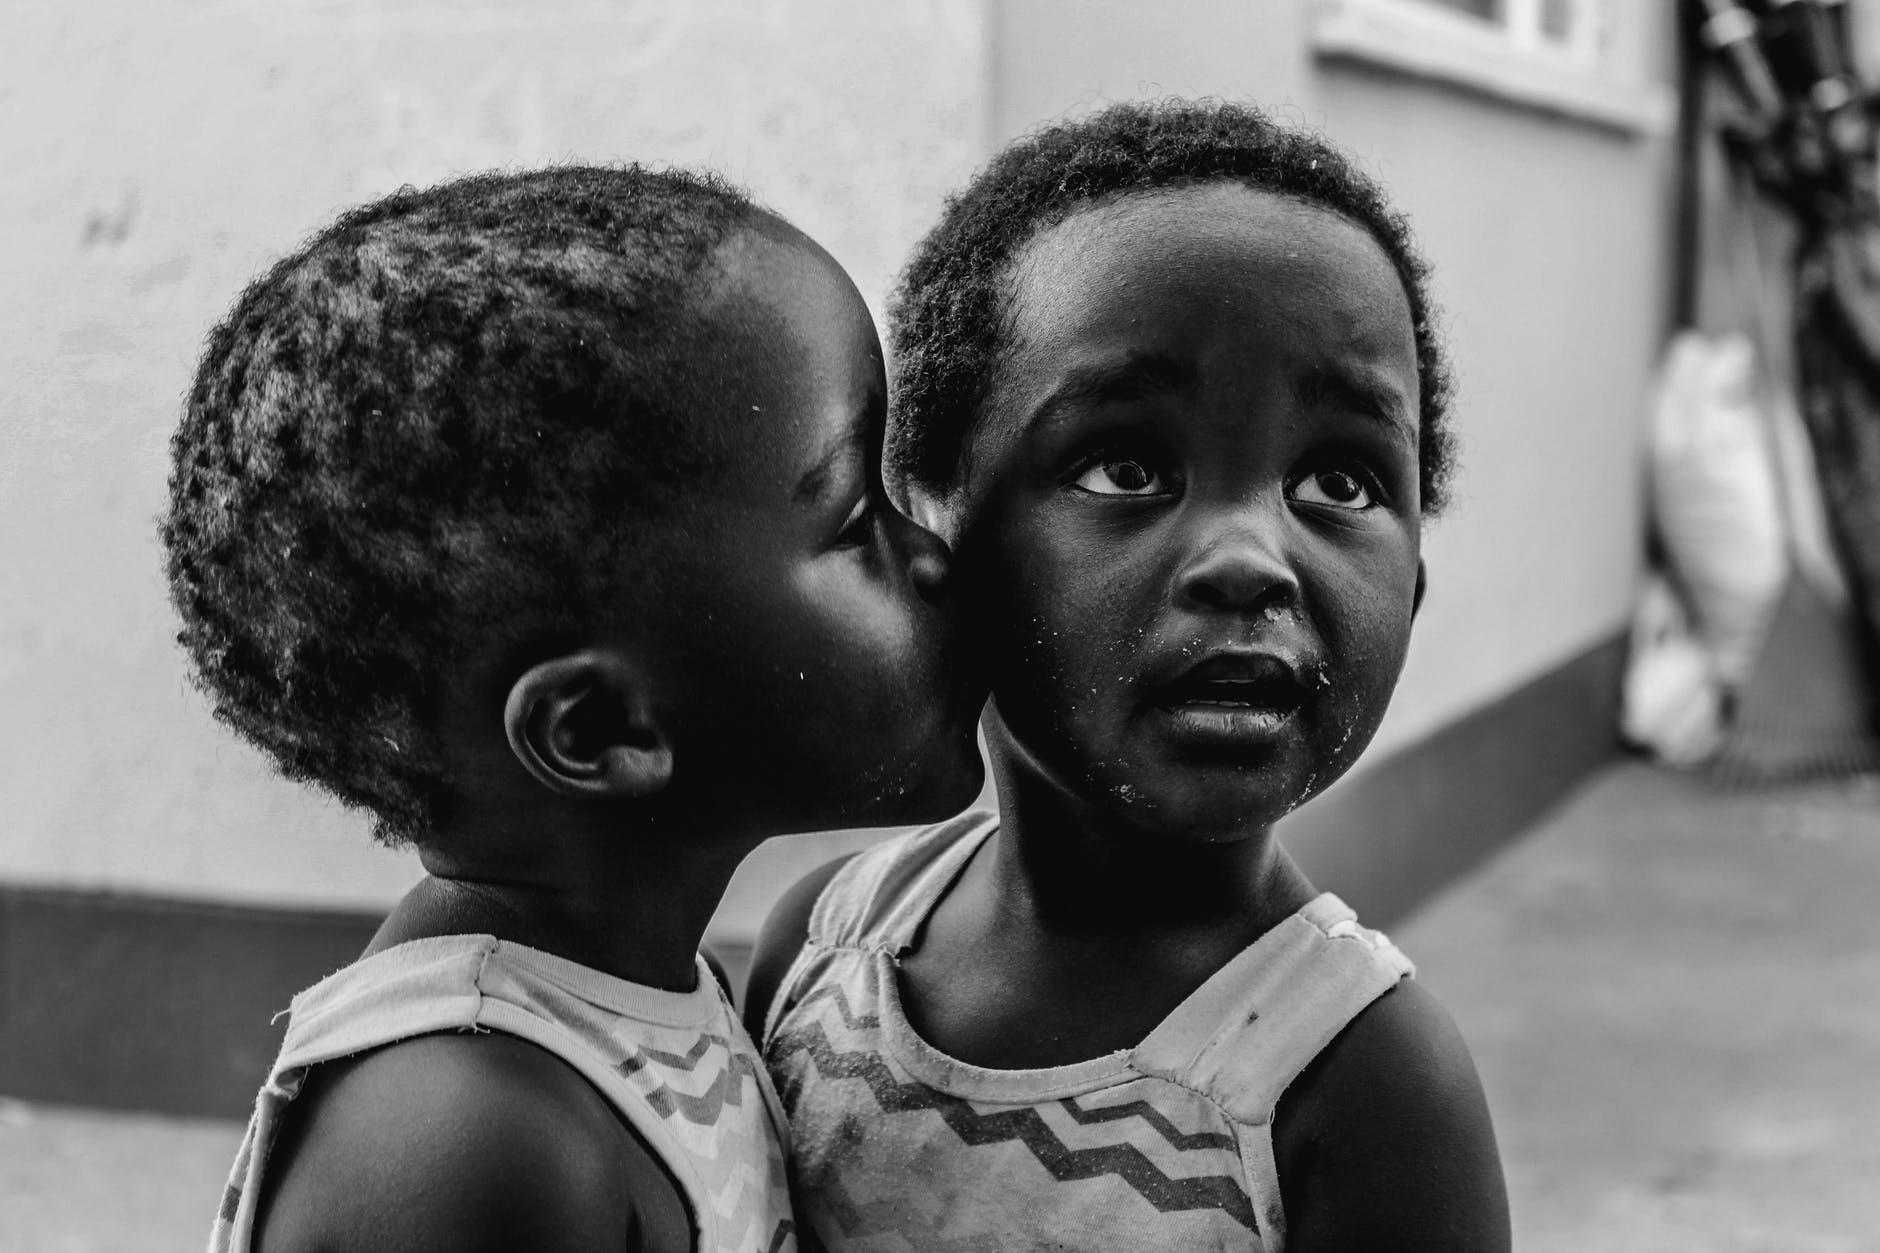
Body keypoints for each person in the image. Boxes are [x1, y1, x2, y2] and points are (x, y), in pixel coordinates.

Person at [162, 164, 986, 1253]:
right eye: (852, 520)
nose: (932, 553)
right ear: (600, 729)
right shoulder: (472, 1137)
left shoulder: (626, 993)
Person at [745, 100, 1511, 1252]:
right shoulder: (824, 945)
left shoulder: (1359, 1082)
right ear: (936, 537)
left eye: (1339, 482)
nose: (1250, 558)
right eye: (1125, 465)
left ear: (1409, 586)